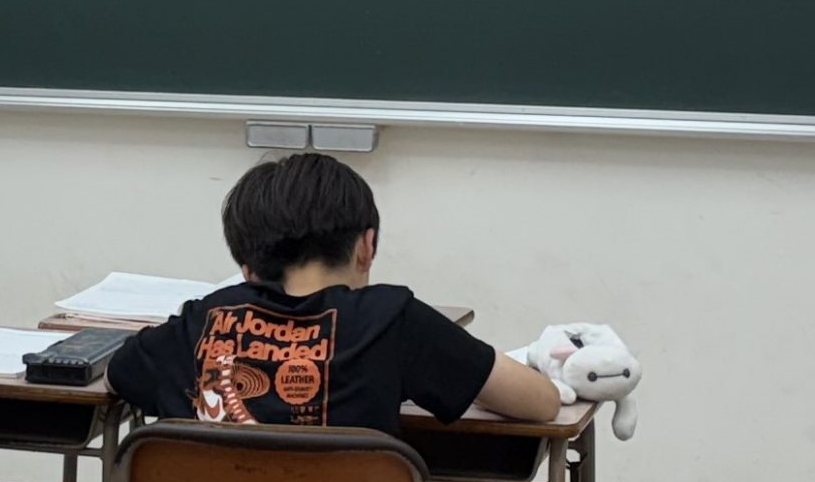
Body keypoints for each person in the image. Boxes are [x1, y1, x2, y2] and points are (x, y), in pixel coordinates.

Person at [109, 152, 560, 432]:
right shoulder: (393, 318)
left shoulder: (200, 322)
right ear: (367, 246)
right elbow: (541, 403)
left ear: (246, 266)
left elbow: (116, 375)